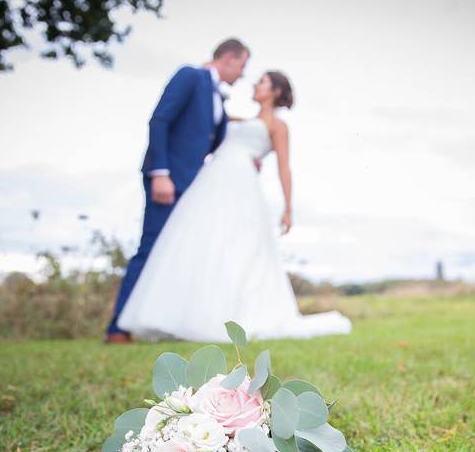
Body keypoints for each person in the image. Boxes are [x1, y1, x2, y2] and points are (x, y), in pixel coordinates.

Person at [115, 71, 352, 342]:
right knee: (201, 244)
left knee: (238, 247)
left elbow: (284, 168)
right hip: (211, 181)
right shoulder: (239, 120)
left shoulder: (278, 126)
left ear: (275, 91)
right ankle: (187, 315)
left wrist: (288, 208)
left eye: (262, 82)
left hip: (241, 187)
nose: (254, 84)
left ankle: (229, 317)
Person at [105, 38, 250, 343]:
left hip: (192, 188)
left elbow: (208, 136)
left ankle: (164, 322)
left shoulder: (216, 96)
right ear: (229, 58)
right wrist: (161, 173)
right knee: (150, 249)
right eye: (242, 66)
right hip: (168, 181)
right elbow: (160, 120)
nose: (242, 74)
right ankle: (118, 327)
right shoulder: (190, 76)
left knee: (177, 255)